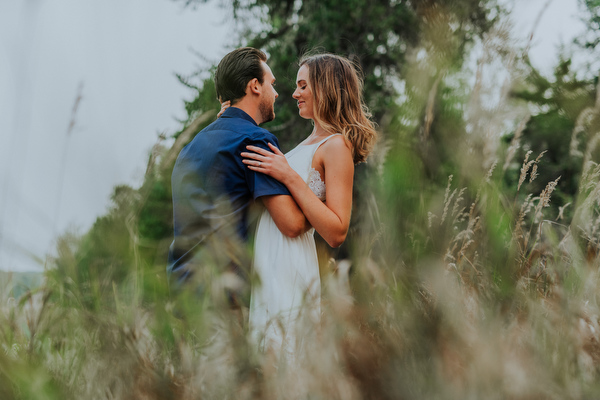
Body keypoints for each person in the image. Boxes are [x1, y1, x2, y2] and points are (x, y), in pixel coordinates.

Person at [237, 53, 377, 355]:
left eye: (303, 86)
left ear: (325, 88)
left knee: (286, 355)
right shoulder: (306, 144)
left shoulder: (337, 146)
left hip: (292, 261)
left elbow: (337, 231)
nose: (294, 93)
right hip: (269, 257)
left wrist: (288, 175)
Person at [167, 47, 309, 306]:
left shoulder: (190, 148)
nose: (276, 93)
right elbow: (291, 225)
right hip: (226, 294)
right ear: (255, 86)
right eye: (272, 84)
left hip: (186, 293)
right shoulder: (254, 140)